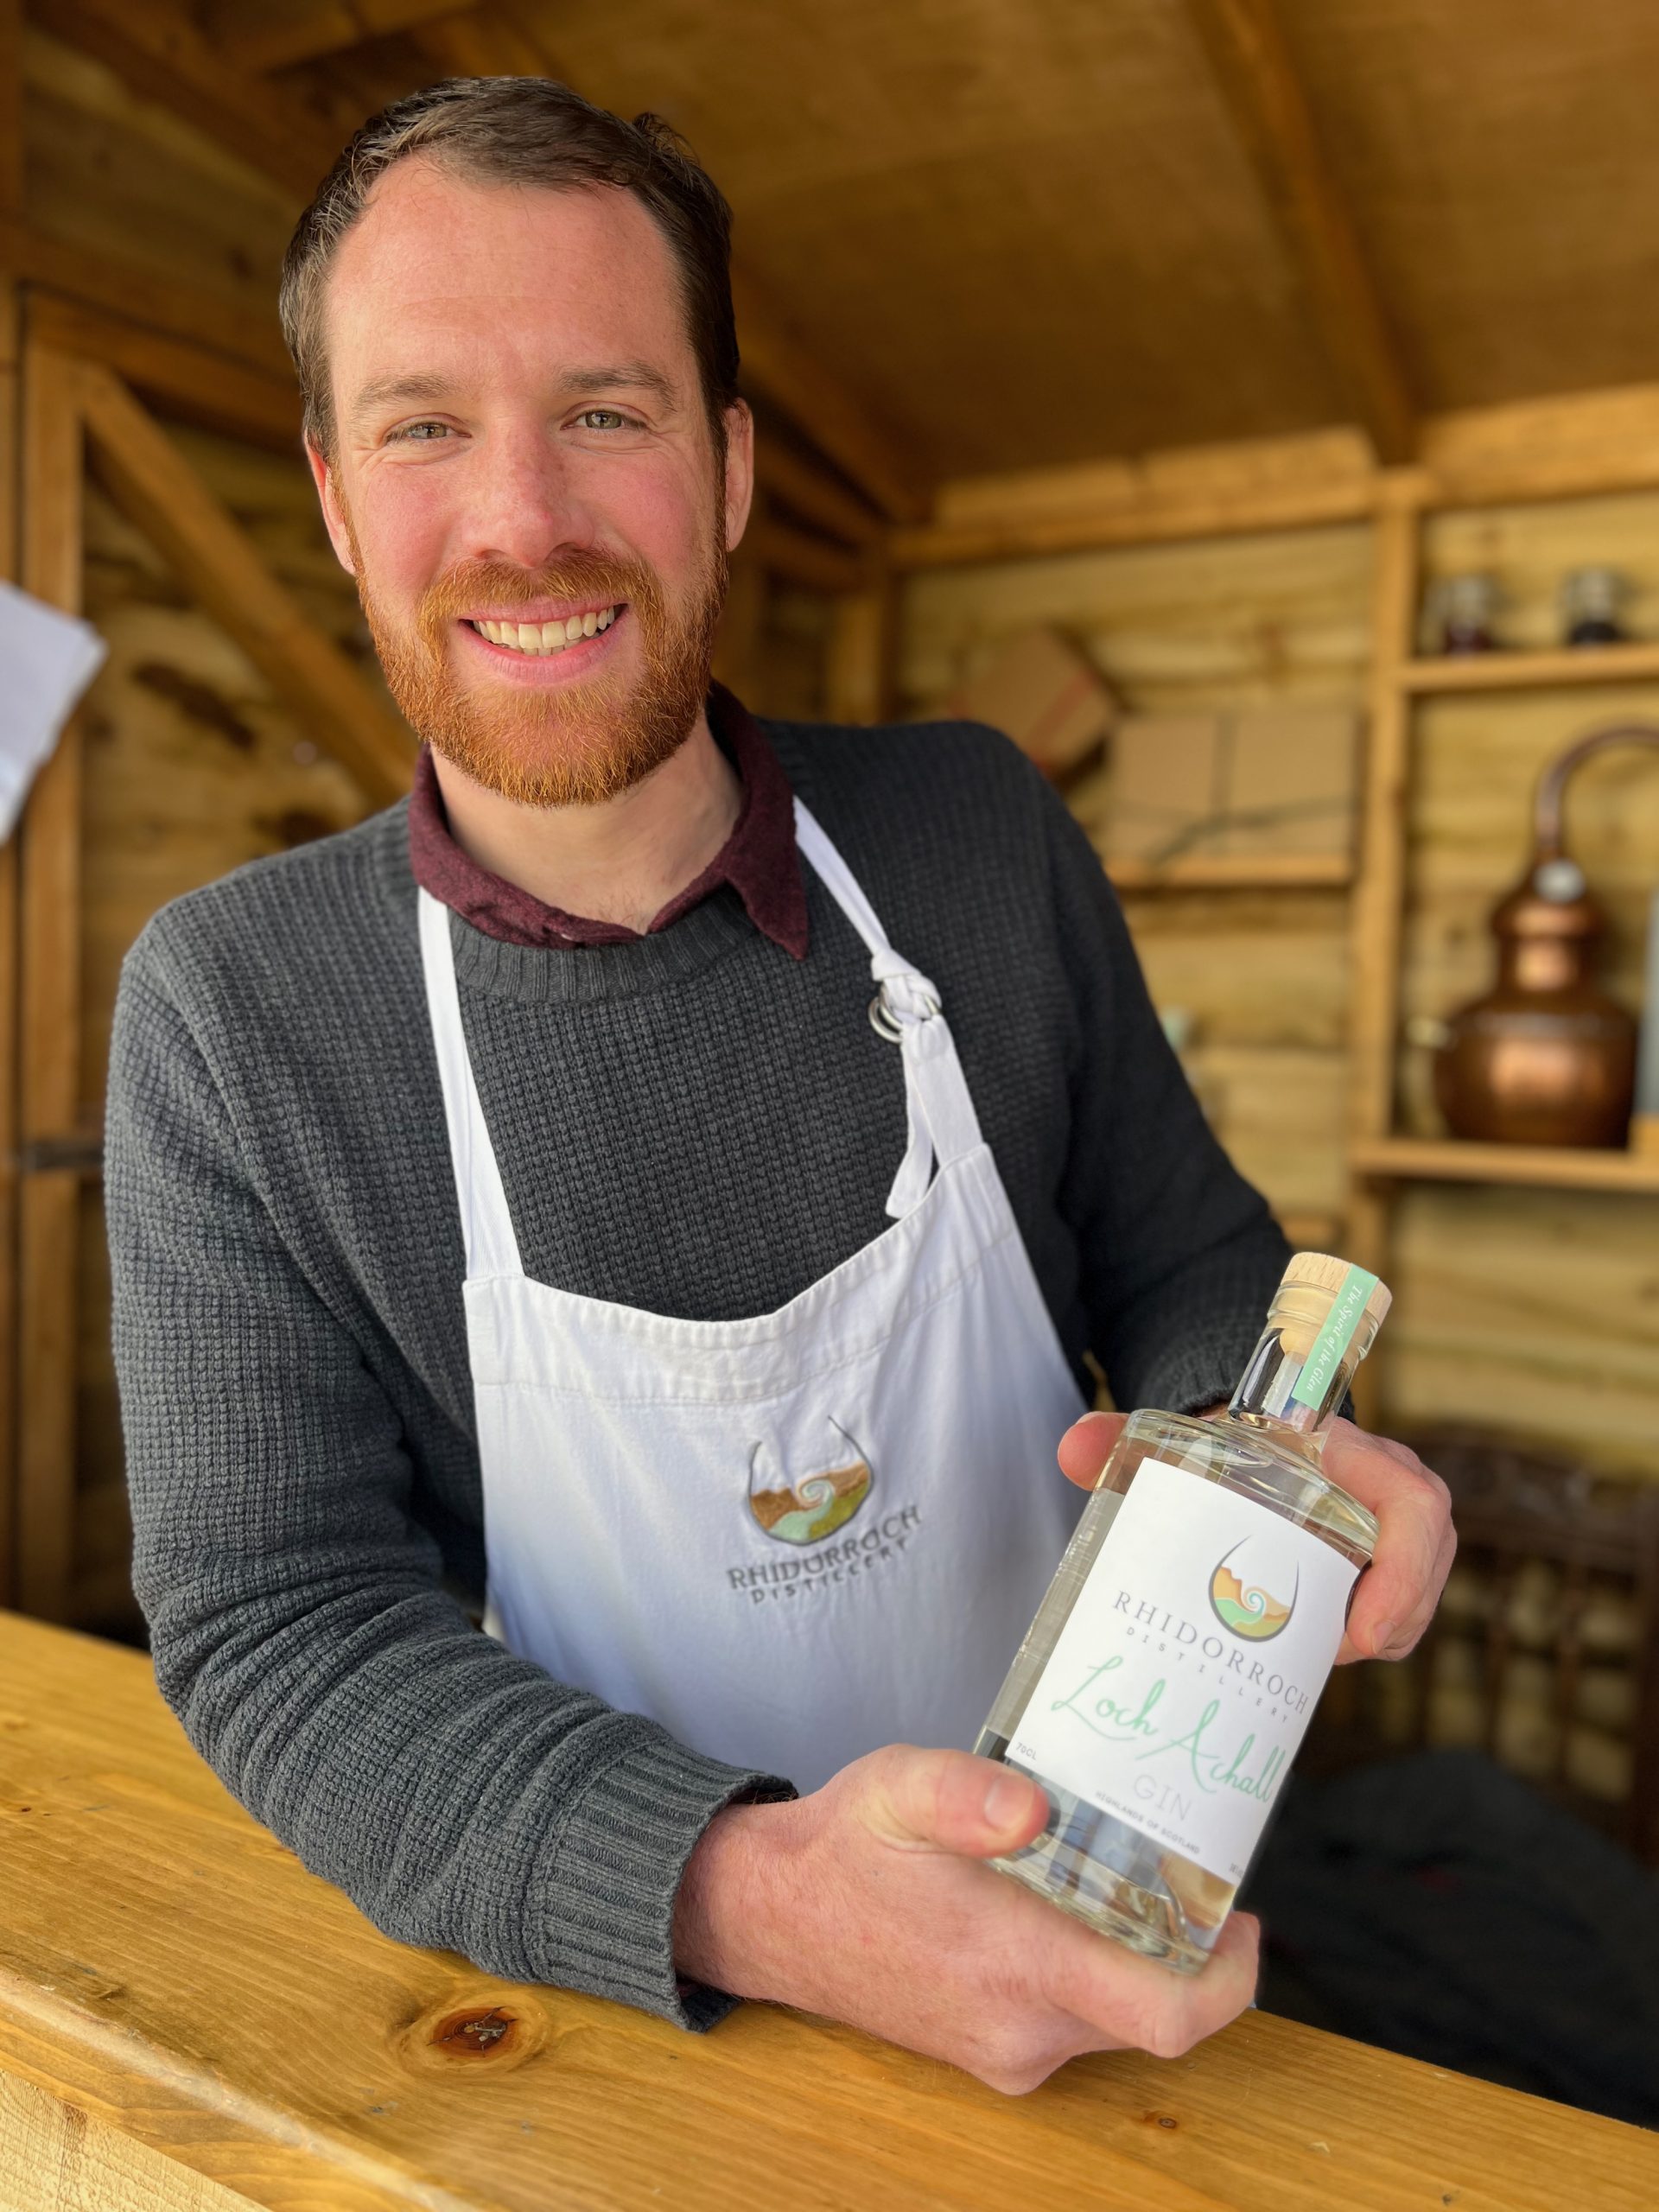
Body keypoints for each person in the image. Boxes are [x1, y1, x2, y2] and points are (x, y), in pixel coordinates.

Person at [105, 76, 1454, 2095]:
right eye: (422, 426)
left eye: (607, 410)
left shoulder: (979, 836)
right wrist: (749, 1887)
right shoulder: (235, 1008)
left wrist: (1280, 1443)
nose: (522, 518)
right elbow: (277, 1622)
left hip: (1115, 1927)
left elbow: (1188, 1257)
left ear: (728, 465)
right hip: (627, 2021)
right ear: (329, 494)